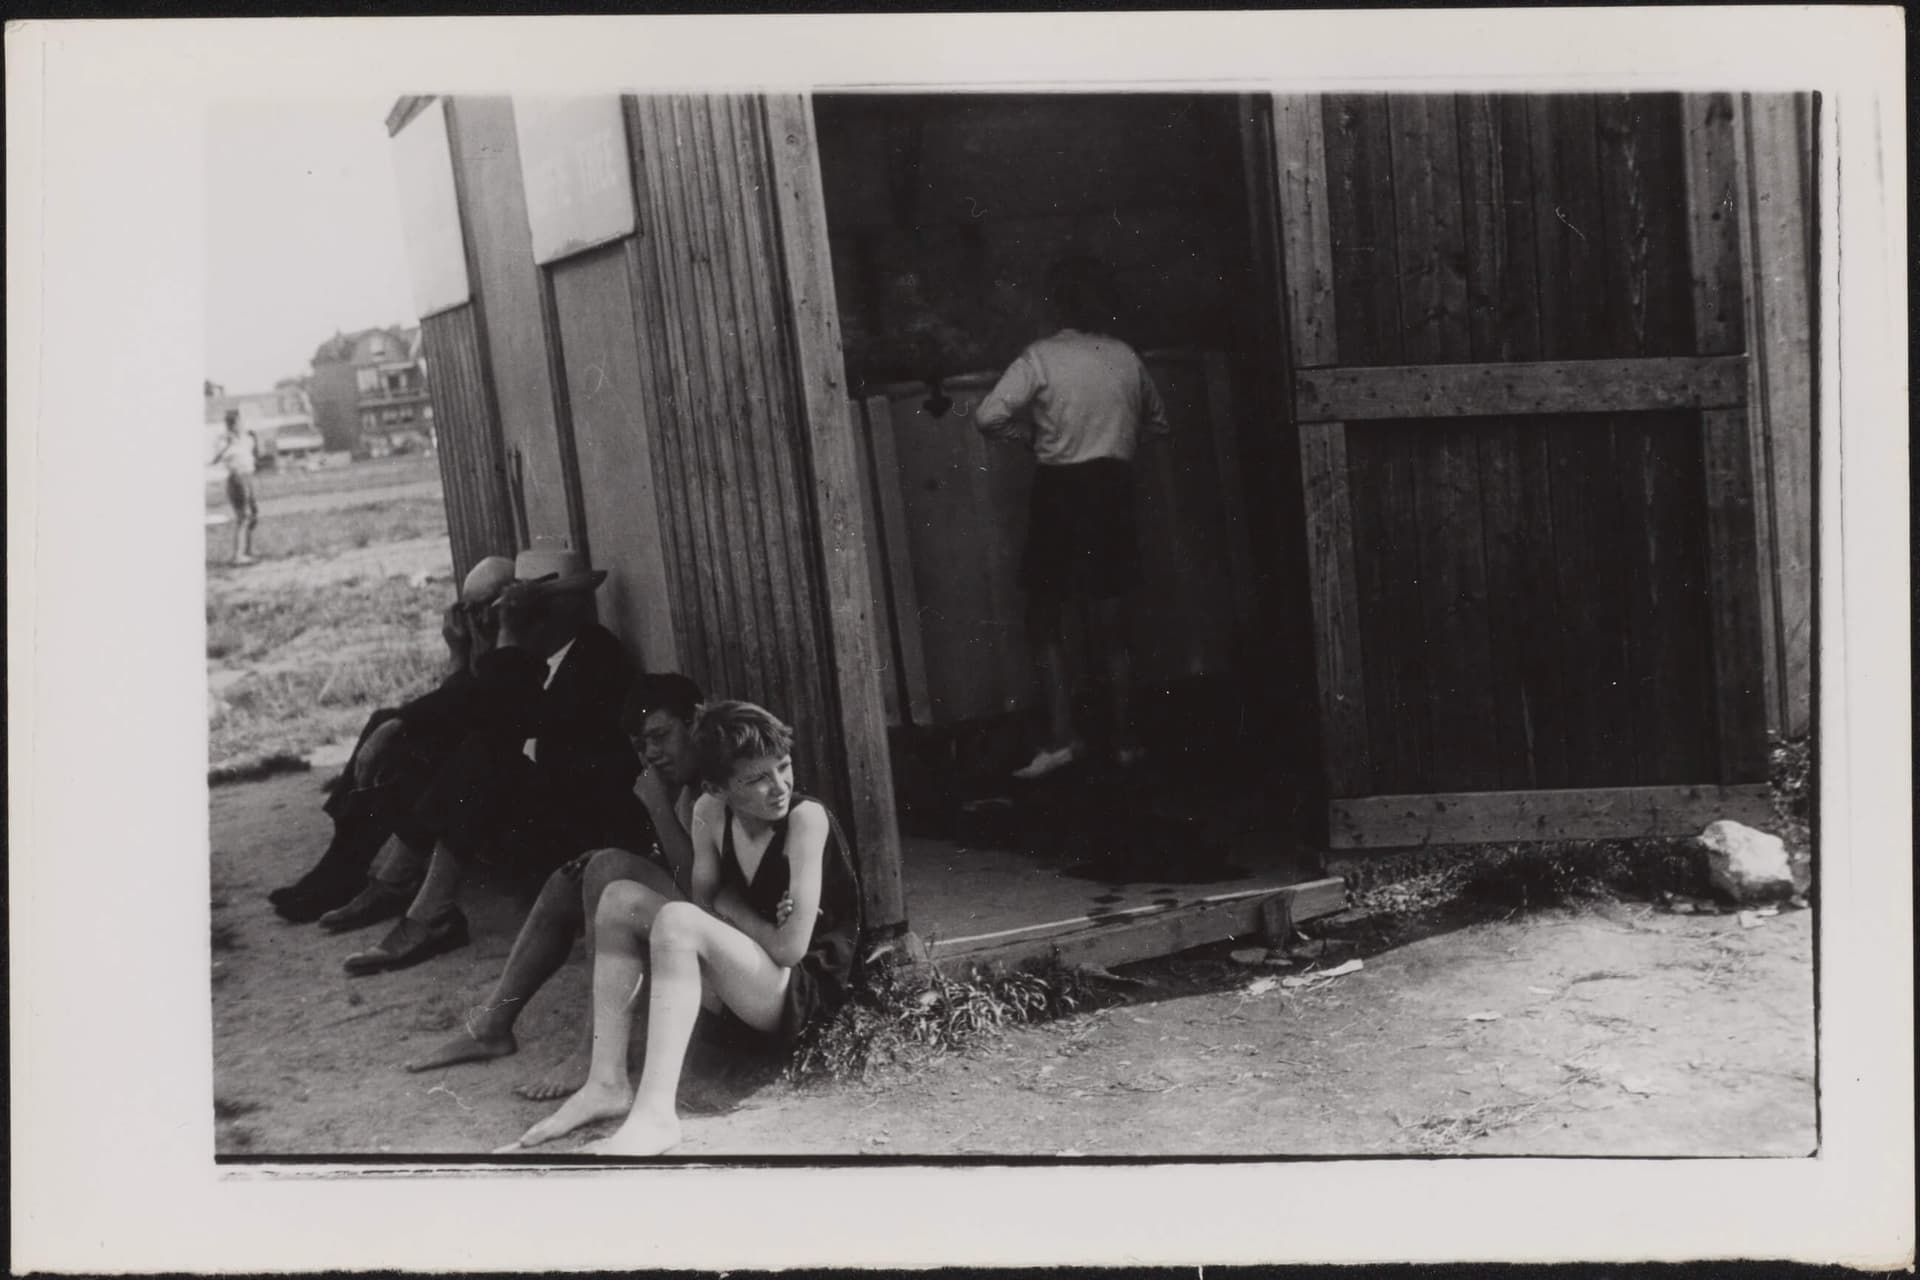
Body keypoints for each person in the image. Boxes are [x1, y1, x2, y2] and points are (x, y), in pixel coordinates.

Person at [505, 700, 862, 1156]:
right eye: (756, 779)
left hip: (799, 997)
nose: (779, 787)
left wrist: (734, 906)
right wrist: (736, 915)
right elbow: (705, 907)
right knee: (619, 899)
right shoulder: (710, 813)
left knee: (677, 921)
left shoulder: (805, 819)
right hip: (746, 987)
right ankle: (606, 1081)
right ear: (717, 787)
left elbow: (789, 949)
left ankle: (656, 1115)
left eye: (784, 767)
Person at [330, 548, 639, 976]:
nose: (500, 622)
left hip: (585, 836)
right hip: (544, 818)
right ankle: (397, 881)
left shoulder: (594, 655)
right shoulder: (538, 660)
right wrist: (398, 722)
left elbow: (509, 720)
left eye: (527, 610)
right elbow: (466, 706)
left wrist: (509, 638)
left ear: (565, 607)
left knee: (485, 752)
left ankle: (424, 910)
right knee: (445, 737)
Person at [401, 673, 706, 1101]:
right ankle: (492, 1025)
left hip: (726, 948)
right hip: (694, 924)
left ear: (695, 721)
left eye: (661, 736)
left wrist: (654, 809)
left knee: (606, 869)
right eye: (642, 745)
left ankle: (596, 1054)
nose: (653, 754)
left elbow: (704, 891)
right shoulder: (683, 779)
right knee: (573, 877)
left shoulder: (720, 779)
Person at [973, 256, 1170, 780]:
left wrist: (1033, 438)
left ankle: (1063, 740)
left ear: (1051, 305)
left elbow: (987, 415)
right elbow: (1159, 423)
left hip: (1061, 491)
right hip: (1113, 489)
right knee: (1112, 622)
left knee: (1045, 619)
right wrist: (1113, 444)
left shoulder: (1040, 357)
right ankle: (1126, 741)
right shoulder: (1125, 356)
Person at [267, 555, 516, 923]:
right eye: (467, 610)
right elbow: (459, 701)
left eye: (483, 608)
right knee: (389, 722)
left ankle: (350, 868)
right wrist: (459, 656)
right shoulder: (494, 639)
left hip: (503, 779)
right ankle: (343, 860)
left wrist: (401, 722)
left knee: (411, 739)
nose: (476, 621)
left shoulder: (519, 641)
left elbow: (478, 703)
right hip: (481, 765)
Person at [210, 409, 261, 565]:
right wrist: (228, 444)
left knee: (253, 514)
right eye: (231, 422)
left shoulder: (247, 437)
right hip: (237, 477)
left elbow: (254, 453)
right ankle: (237, 555)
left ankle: (248, 550)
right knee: (243, 516)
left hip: (248, 475)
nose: (236, 425)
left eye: (237, 421)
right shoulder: (223, 439)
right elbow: (215, 459)